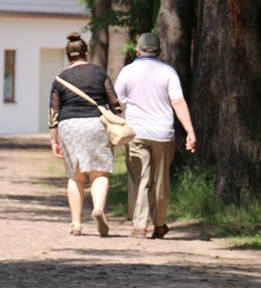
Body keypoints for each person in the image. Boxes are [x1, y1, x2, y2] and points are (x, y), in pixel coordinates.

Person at [114, 33, 197, 239]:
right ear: (159, 51)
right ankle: (159, 225)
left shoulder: (127, 71)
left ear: (137, 50)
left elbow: (117, 103)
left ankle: (140, 227)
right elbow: (178, 102)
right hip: (163, 134)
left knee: (139, 179)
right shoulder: (168, 72)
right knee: (161, 181)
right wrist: (190, 132)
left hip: (136, 133)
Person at [49, 32, 123, 237]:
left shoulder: (60, 79)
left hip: (69, 126)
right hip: (95, 124)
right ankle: (98, 208)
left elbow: (54, 112)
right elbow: (113, 101)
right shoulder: (99, 73)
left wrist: (53, 139)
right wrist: (117, 121)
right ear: (86, 53)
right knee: (99, 173)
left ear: (67, 56)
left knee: (76, 176)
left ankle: (76, 223)